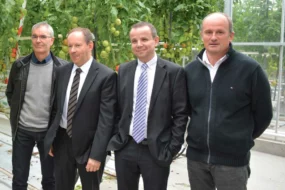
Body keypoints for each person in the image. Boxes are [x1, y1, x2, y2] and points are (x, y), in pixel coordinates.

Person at [184, 12, 273, 190]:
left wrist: (239, 138)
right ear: (202, 35)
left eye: (220, 32)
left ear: (231, 36)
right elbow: (187, 109)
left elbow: (264, 114)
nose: (213, 37)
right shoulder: (190, 71)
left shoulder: (249, 69)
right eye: (208, 32)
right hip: (196, 160)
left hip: (232, 162)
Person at [107, 22, 188, 190]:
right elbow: (117, 108)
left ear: (156, 40)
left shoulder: (173, 72)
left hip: (156, 149)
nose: (139, 44)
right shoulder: (124, 70)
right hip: (125, 147)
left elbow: (181, 114)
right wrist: (116, 137)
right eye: (134, 40)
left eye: (144, 39)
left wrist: (172, 148)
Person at [44, 27, 116, 190]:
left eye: (77, 45)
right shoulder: (62, 72)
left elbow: (106, 120)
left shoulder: (106, 76)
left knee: (90, 187)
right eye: (70, 46)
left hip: (89, 146)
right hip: (62, 142)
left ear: (90, 46)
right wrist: (50, 140)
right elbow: (55, 109)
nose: (73, 50)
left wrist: (97, 155)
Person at [5, 22, 67, 190]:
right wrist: (21, 114)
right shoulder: (20, 66)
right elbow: (11, 93)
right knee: (19, 179)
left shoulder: (62, 68)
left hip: (49, 134)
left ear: (51, 40)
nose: (38, 40)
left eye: (43, 37)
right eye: (35, 36)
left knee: (50, 180)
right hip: (22, 130)